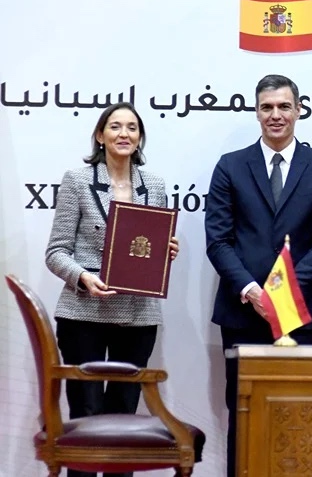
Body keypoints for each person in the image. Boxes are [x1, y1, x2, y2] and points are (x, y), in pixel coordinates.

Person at [205, 74, 312, 477]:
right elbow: (218, 240)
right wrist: (252, 290)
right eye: (267, 107)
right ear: (256, 112)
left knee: (297, 414)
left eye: (284, 106)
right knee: (243, 412)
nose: (276, 115)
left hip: (299, 313)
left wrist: (281, 293)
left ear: (299, 110)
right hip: (242, 313)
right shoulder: (230, 166)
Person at [45, 102, 179, 477]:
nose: (124, 134)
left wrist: (166, 250)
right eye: (115, 126)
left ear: (140, 138)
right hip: (83, 313)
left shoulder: (154, 185)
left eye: (132, 127)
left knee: (124, 418)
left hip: (138, 316)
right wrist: (82, 277)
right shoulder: (77, 180)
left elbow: (148, 247)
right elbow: (56, 253)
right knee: (86, 415)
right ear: (100, 135)